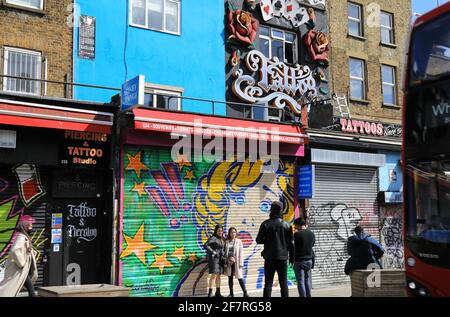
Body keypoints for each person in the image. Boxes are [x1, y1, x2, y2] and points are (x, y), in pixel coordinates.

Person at [256, 201, 294, 297]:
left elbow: (258, 240)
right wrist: (292, 258)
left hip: (269, 257)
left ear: (271, 211)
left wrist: (268, 240)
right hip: (283, 258)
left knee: (268, 283)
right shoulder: (287, 225)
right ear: (281, 211)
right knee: (283, 283)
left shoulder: (265, 224)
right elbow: (291, 243)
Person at [0, 216, 38, 297]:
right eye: (31, 226)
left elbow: (22, 250)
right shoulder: (21, 238)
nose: (32, 228)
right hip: (19, 269)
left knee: (29, 288)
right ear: (26, 227)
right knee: (9, 288)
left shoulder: (24, 237)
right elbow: (14, 250)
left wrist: (31, 253)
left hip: (22, 270)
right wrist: (22, 263)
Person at [293, 217, 315, 297]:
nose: (295, 227)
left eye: (295, 226)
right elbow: (312, 245)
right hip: (309, 261)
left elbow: (293, 247)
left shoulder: (297, 234)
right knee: (306, 280)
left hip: (299, 261)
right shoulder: (311, 234)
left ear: (298, 225)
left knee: (300, 281)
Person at [224, 227, 249, 297]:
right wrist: (227, 260)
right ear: (229, 233)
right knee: (230, 278)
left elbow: (241, 253)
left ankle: (245, 292)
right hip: (229, 262)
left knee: (240, 277)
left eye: (234, 232)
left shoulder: (239, 241)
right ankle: (231, 293)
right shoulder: (227, 241)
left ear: (236, 233)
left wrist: (241, 263)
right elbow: (225, 252)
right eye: (231, 232)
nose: (233, 234)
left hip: (237, 262)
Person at [204, 224, 225, 297]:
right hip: (214, 259)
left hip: (220, 260)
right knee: (214, 275)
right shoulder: (213, 238)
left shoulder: (222, 239)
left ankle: (218, 293)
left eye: (221, 231)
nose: (220, 232)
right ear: (216, 231)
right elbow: (206, 245)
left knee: (219, 276)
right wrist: (213, 252)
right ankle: (210, 293)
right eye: (219, 231)